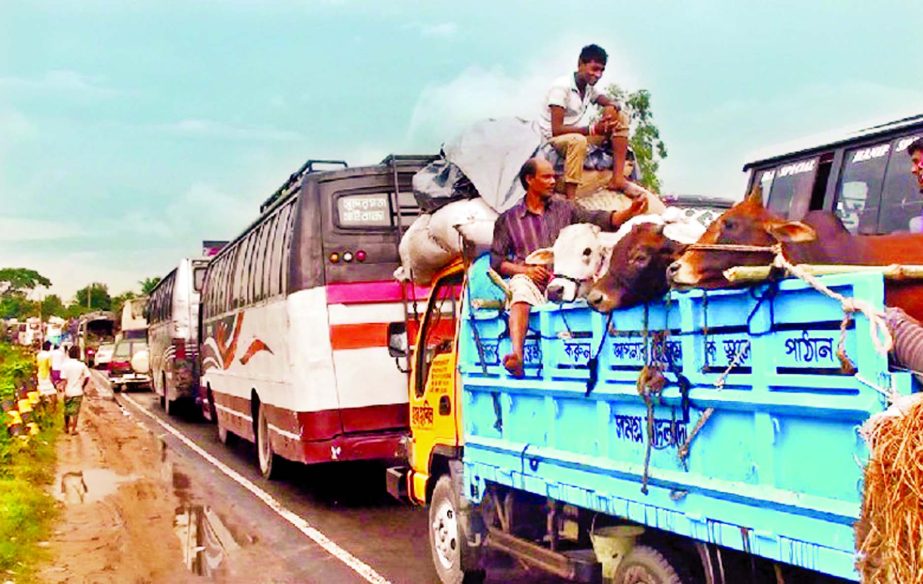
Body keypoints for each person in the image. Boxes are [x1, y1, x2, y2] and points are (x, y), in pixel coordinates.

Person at [490, 157, 647, 377]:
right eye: (546, 177)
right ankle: (517, 355)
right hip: (534, 281)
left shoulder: (566, 208)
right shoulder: (508, 220)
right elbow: (497, 262)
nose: (553, 181)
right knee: (520, 288)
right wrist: (526, 270)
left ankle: (616, 360)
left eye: (554, 176)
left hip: (568, 278)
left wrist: (628, 213)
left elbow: (596, 218)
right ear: (529, 180)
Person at [539, 44, 649, 200]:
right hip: (554, 141)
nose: (597, 75)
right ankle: (571, 200)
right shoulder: (561, 87)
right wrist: (593, 129)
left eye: (601, 70)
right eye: (594, 69)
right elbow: (556, 130)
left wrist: (612, 110)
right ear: (581, 64)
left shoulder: (587, 87)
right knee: (577, 141)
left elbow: (606, 100)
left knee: (621, 116)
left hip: (576, 135)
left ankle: (617, 179)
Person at [60, 345, 90, 435]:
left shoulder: (65, 365)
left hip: (68, 391)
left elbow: (64, 380)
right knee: (75, 411)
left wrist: (63, 389)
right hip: (78, 391)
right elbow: (87, 377)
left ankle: (66, 427)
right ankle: (73, 429)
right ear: (78, 354)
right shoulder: (81, 365)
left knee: (67, 410)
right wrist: (83, 386)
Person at [36, 340, 57, 406]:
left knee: (42, 392)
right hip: (47, 376)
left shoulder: (39, 355)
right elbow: (50, 367)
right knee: (53, 393)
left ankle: (44, 407)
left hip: (40, 375)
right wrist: (53, 378)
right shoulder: (48, 356)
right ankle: (53, 409)